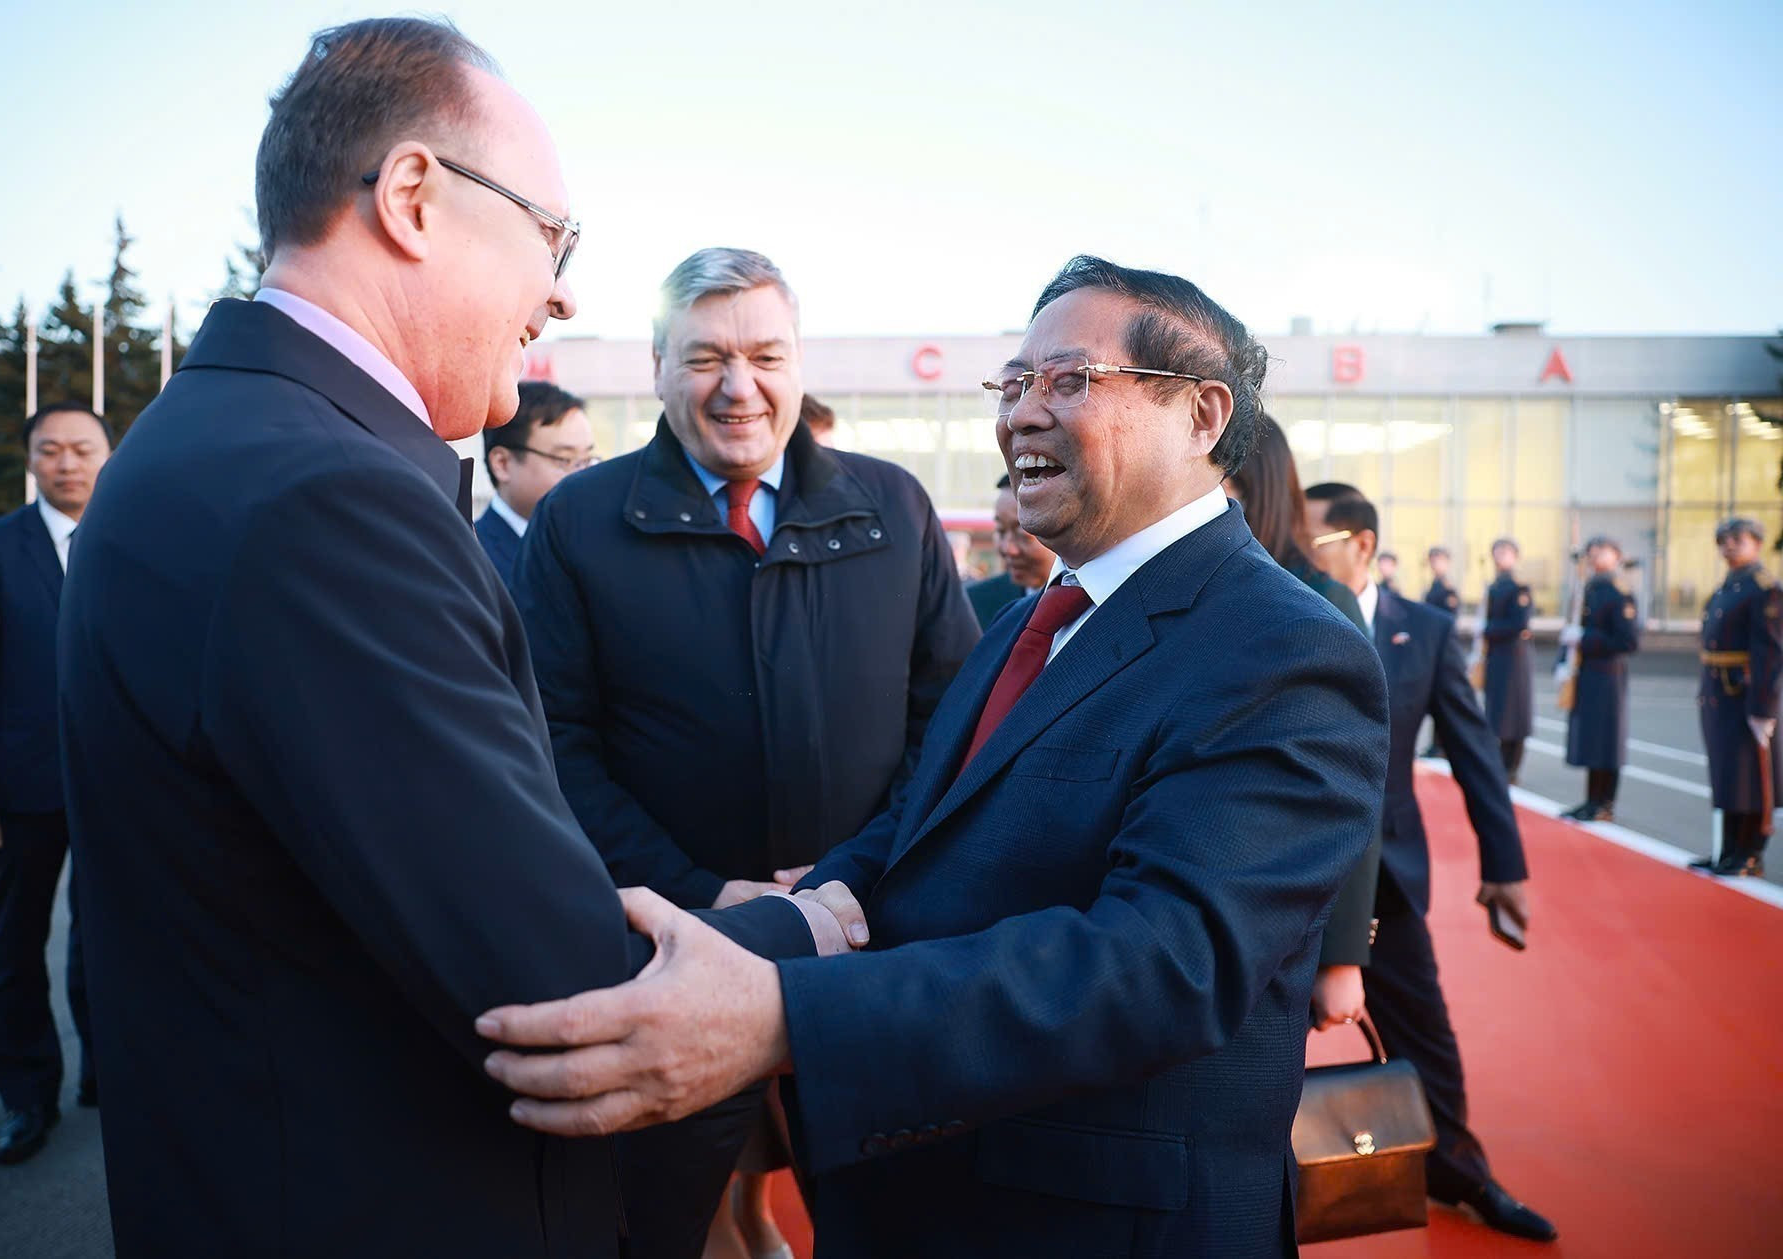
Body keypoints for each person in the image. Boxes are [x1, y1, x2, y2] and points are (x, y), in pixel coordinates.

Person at [55, 21, 843, 1258]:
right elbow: (565, 987)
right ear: (415, 196)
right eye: (554, 235)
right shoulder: (325, 497)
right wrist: (816, 927)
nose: (563, 289)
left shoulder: (222, 440)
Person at [482, 256, 1392, 1258]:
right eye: (1012, 383)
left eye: (1068, 381)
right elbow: (919, 823)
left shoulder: (1282, 649)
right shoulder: (1034, 621)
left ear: (1202, 413)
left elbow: (1160, 963)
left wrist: (786, 1013)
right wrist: (773, 929)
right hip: (922, 1181)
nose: (1021, 416)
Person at [514, 246, 978, 1259]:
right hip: (664, 952)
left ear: (798, 361)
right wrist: (703, 892)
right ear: (656, 365)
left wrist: (845, 883)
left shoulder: (893, 509)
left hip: (870, 943)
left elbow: (950, 727)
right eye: (705, 357)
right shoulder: (578, 523)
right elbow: (552, 746)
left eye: (765, 353)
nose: (739, 386)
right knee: (652, 1227)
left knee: (897, 1219)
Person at [1303, 483, 1554, 1242]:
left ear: (1362, 545)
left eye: (1307, 542)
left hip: (1386, 879)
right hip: (1287, 873)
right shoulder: (1272, 609)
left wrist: (1504, 866)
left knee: (1427, 1043)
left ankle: (1458, 1170)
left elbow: (1477, 753)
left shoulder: (1428, 630)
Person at [0, 403, 109, 1165]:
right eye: (50, 451)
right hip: (20, 790)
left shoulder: (132, 536)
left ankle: (109, 1072)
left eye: (82, 449)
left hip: (117, 789)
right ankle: (25, 1095)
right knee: (15, 947)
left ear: (110, 454)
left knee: (110, 941)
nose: (67, 463)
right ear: (30, 461)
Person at [1225, 414, 1378, 1034]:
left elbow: (1354, 781)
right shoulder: (1207, 581)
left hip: (1287, 895)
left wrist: (1342, 955)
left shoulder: (1317, 596)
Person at [1692, 518, 1780, 877]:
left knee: (1752, 776)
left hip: (1746, 692)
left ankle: (1750, 853)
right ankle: (1727, 849)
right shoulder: (1728, 586)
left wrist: (1763, 708)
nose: (1728, 546)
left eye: (1737, 540)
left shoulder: (1764, 588)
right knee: (1728, 774)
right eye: (1723, 541)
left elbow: (1771, 652)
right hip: (1719, 692)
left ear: (1757, 543)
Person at [475, 380, 593, 576]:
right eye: (565, 460)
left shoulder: (594, 544)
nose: (583, 475)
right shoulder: (474, 558)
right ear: (502, 464)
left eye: (588, 459)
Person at [1560, 537, 1639, 822]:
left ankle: (1605, 802)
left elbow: (1627, 640)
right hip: (1587, 672)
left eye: (1601, 552)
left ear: (1616, 555)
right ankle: (1592, 799)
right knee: (1591, 739)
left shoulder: (1618, 591)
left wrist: (1585, 639)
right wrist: (1564, 660)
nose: (1594, 557)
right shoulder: (1588, 588)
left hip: (1607, 673)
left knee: (1607, 740)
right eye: (1591, 553)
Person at [965, 474, 1055, 630]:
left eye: (1022, 533)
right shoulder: (975, 603)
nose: (1008, 548)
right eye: (1000, 531)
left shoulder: (1091, 605)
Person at [1481, 538, 1535, 783]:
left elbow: (1518, 623)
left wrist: (1489, 629)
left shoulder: (1518, 587)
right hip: (1497, 656)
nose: (1501, 556)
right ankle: (1501, 763)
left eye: (1506, 552)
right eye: (1497, 552)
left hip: (1514, 658)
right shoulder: (1495, 586)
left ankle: (1511, 766)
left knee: (1514, 713)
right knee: (1499, 711)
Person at [1425, 545, 1459, 615]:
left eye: (1438, 561)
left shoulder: (1448, 587)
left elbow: (1451, 614)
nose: (1434, 564)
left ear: (1447, 563)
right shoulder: (1434, 583)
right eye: (1432, 561)